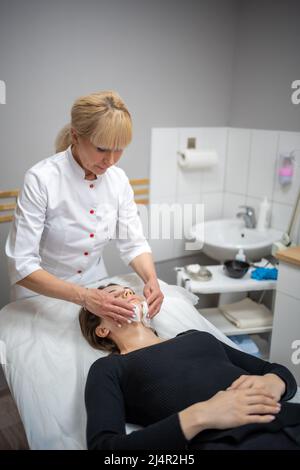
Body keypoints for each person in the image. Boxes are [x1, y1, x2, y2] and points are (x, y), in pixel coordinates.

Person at [5, 91, 163, 324]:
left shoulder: (118, 180)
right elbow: (22, 265)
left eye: (119, 149)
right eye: (101, 149)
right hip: (41, 296)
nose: (110, 160)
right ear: (76, 136)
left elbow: (133, 243)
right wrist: (84, 297)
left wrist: (151, 279)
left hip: (97, 286)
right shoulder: (41, 179)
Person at [79, 284, 300, 450]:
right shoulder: (109, 368)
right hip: (233, 442)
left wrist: (275, 382)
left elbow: (274, 371)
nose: (127, 294)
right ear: (101, 330)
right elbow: (104, 448)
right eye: (114, 297)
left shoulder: (196, 337)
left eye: (128, 291)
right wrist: (202, 415)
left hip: (288, 418)